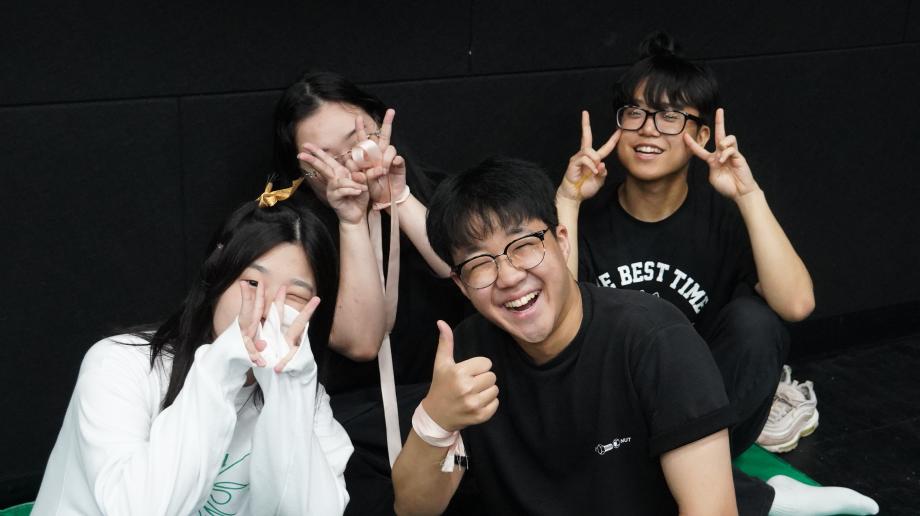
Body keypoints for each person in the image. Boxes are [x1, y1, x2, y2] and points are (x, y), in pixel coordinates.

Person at [556, 31, 877, 516]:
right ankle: (760, 497)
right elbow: (553, 327)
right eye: (635, 113)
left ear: (701, 136)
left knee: (757, 321)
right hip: (610, 411)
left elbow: (796, 305)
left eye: (670, 117)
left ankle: (687, 476)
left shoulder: (722, 220)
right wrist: (567, 201)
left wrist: (748, 195)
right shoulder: (585, 219)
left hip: (700, 417)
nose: (648, 130)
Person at [392, 157, 740, 515]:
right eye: (479, 263)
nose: (509, 277)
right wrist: (435, 420)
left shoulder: (655, 339)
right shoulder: (470, 355)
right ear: (462, 285)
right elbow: (415, 509)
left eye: (523, 245)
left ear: (562, 241)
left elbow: (712, 509)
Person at [32, 189, 353, 515]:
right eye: (253, 283)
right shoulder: (117, 365)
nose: (267, 309)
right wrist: (221, 367)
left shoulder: (306, 398)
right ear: (217, 281)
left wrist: (288, 389)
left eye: (294, 297)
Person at [273, 71, 468, 514]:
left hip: (449, 400)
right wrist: (351, 218)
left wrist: (397, 198)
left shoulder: (436, 191)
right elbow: (361, 342)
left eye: (358, 140)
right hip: (352, 425)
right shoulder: (294, 233)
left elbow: (470, 271)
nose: (349, 163)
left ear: (381, 125)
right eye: (324, 159)